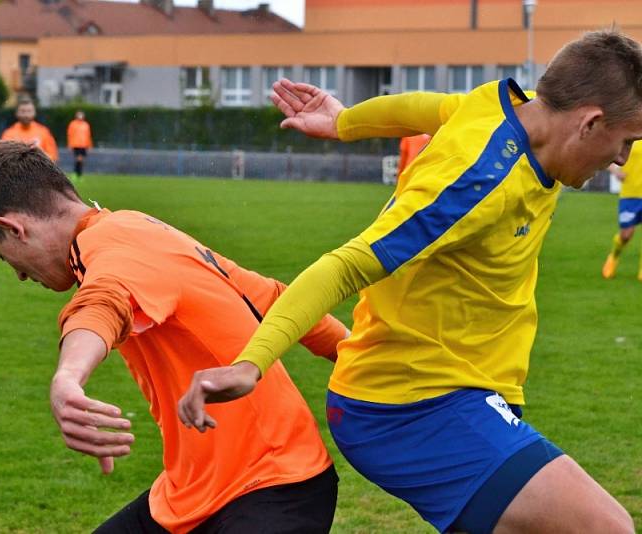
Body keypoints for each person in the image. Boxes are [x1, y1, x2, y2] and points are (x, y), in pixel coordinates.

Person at [179, 30, 640, 534]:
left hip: (468, 387)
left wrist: (345, 121)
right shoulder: (474, 185)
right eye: (627, 141)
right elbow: (347, 265)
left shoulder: (505, 110)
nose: (621, 160)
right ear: (591, 122)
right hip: (410, 405)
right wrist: (252, 363)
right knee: (606, 528)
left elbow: (429, 106)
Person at [0, 141, 348, 534]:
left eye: (2, 257)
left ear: (14, 228)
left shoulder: (111, 246)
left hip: (273, 486)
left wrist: (68, 376)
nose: (20, 275)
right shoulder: (134, 229)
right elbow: (279, 301)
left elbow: (102, 303)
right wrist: (355, 351)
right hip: (194, 494)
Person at [602, 140, 642, 280]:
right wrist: (615, 171)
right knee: (626, 235)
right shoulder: (631, 135)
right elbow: (606, 155)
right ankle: (613, 256)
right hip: (630, 195)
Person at [0, 98, 59, 162]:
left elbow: (53, 156)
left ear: (34, 112)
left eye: (29, 111)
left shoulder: (44, 132)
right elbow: (4, 157)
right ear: (17, 113)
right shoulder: (8, 133)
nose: (26, 115)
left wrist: (38, 155)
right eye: (23, 111)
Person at [67, 110, 93, 179]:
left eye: (81, 115)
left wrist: (89, 145)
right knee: (79, 159)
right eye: (79, 115)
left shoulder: (86, 125)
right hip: (76, 144)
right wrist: (69, 144)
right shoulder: (73, 124)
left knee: (81, 160)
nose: (80, 116)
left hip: (84, 145)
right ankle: (77, 174)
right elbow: (70, 134)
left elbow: (88, 135)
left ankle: (78, 174)